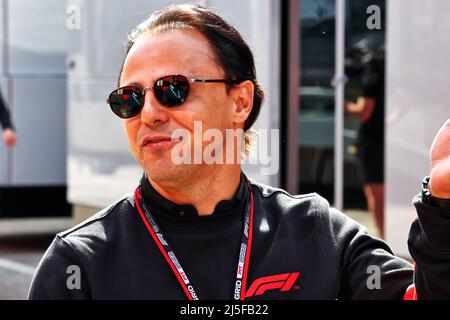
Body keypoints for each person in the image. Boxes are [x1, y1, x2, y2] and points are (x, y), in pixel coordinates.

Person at [29, 4, 450, 300]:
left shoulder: (316, 232)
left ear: (240, 102)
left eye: (172, 89)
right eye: (129, 98)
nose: (150, 113)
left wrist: (443, 207)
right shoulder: (79, 263)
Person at [346, 57, 385, 238]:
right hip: (382, 140)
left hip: (372, 142)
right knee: (377, 191)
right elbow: (404, 102)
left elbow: (364, 112)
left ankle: (382, 236)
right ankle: (384, 235)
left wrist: (344, 105)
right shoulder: (388, 81)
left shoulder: (373, 82)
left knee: (374, 193)